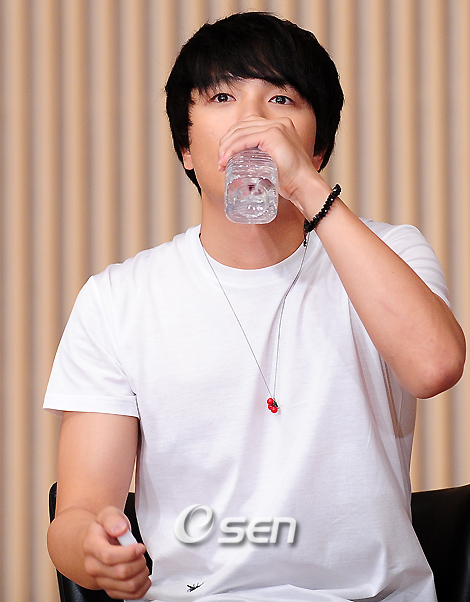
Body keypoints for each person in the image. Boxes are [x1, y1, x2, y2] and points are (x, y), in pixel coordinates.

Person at [45, 12, 465, 602]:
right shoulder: (117, 299)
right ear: (186, 148)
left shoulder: (391, 251)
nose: (253, 121)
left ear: (318, 146)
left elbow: (435, 367)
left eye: (281, 99)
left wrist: (307, 188)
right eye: (222, 97)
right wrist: (93, 550)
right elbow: (80, 510)